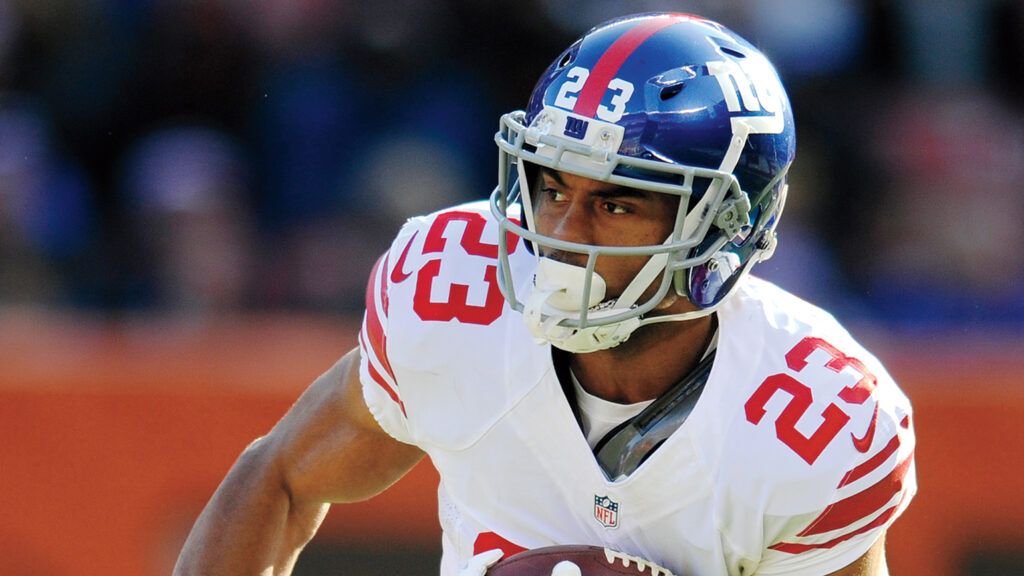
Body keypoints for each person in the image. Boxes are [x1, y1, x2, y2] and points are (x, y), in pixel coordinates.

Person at [175, 13, 915, 576]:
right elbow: (278, 480)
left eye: (617, 204)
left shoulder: (818, 418)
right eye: (553, 185)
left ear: (727, 229)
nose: (562, 233)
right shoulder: (456, 296)